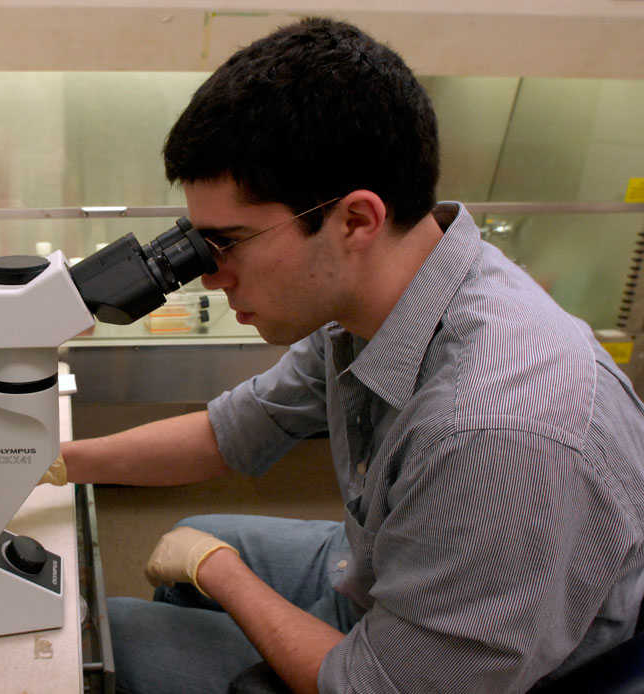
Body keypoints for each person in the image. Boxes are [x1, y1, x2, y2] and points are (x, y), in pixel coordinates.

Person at [55, 16, 644, 694]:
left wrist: (220, 572)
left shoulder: (496, 430)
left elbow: (377, 686)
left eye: (229, 243)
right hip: (379, 564)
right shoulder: (383, 297)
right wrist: (53, 462)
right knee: (195, 533)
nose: (210, 277)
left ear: (356, 221)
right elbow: (234, 431)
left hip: (473, 671)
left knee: (116, 636)